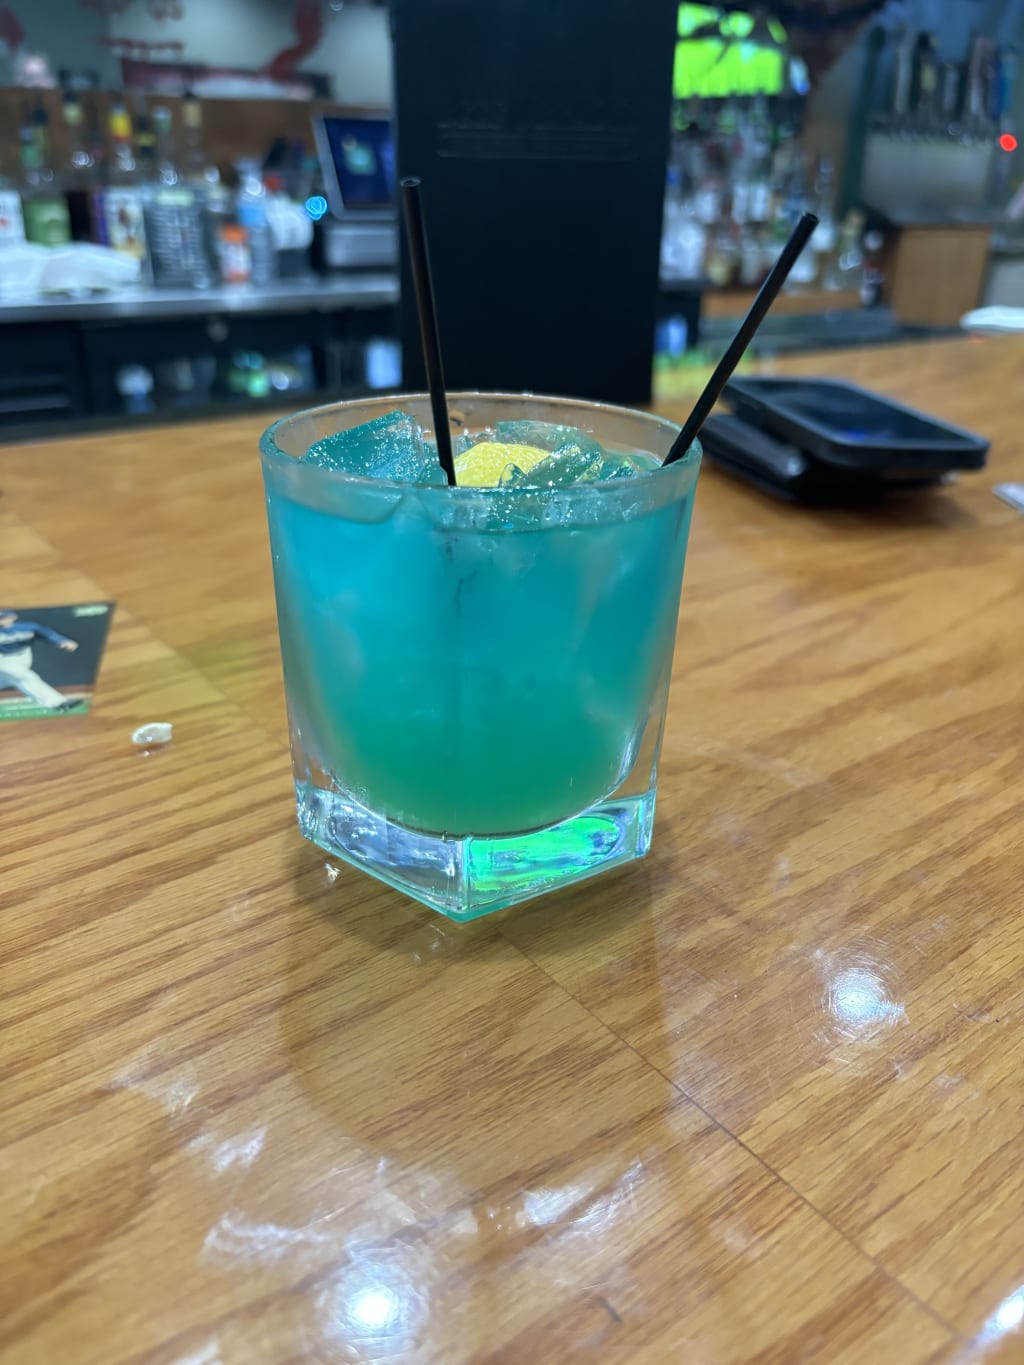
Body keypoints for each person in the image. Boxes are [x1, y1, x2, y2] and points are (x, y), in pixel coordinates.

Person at [0, 609, 81, 712]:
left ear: (13, 617)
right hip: (3, 659)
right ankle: (58, 703)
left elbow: (47, 633)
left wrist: (62, 641)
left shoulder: (28, 627)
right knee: (26, 677)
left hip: (23, 656)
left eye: (4, 617)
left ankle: (58, 703)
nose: (2, 620)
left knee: (19, 679)